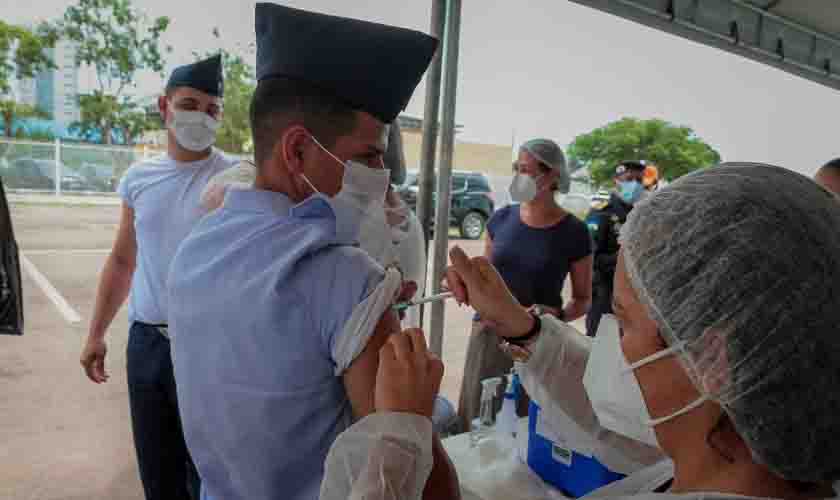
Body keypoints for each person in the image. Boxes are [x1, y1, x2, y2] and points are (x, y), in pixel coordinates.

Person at [321, 162, 840, 500]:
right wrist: (523, 329)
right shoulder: (720, 456)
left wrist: (395, 439)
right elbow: (612, 420)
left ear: (713, 362)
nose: (610, 339)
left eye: (626, 320)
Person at [167, 5, 456, 500]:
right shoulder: (348, 279)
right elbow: (429, 489)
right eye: (369, 156)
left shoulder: (193, 251)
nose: (380, 177)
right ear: (297, 151)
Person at [79, 54, 233, 500]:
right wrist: (96, 333)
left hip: (209, 344)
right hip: (146, 344)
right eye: (189, 104)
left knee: (211, 472)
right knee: (157, 468)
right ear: (165, 107)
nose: (200, 117)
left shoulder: (237, 178)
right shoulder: (139, 179)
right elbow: (123, 260)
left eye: (211, 109)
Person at [457, 138, 592, 431]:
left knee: (527, 422)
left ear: (552, 175)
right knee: (479, 419)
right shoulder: (500, 219)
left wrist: (555, 316)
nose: (520, 176)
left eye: (527, 170)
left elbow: (583, 299)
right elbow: (484, 279)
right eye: (517, 168)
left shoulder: (574, 232)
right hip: (489, 335)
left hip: (537, 341)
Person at [586, 160, 646, 337]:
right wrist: (626, 256)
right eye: (629, 179)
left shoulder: (640, 213)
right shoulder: (602, 211)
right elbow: (591, 257)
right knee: (600, 344)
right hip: (605, 292)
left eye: (639, 180)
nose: (635, 185)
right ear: (617, 181)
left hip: (632, 296)